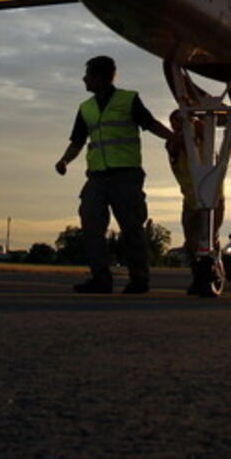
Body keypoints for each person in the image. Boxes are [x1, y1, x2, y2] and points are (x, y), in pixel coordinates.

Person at [55, 56, 172, 294]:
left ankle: (139, 279)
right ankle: (101, 279)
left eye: (87, 74)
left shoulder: (128, 100)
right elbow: (78, 141)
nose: (84, 79)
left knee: (131, 228)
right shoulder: (85, 108)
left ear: (99, 77)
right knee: (91, 225)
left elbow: (150, 124)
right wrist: (64, 160)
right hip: (97, 177)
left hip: (126, 176)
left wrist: (176, 139)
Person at [165, 110, 226, 295]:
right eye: (175, 122)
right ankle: (198, 275)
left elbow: (204, 130)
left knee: (209, 237)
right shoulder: (173, 143)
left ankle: (215, 273)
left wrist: (193, 116)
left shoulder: (204, 141)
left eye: (181, 122)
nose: (178, 125)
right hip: (191, 199)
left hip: (212, 197)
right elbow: (174, 145)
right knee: (192, 242)